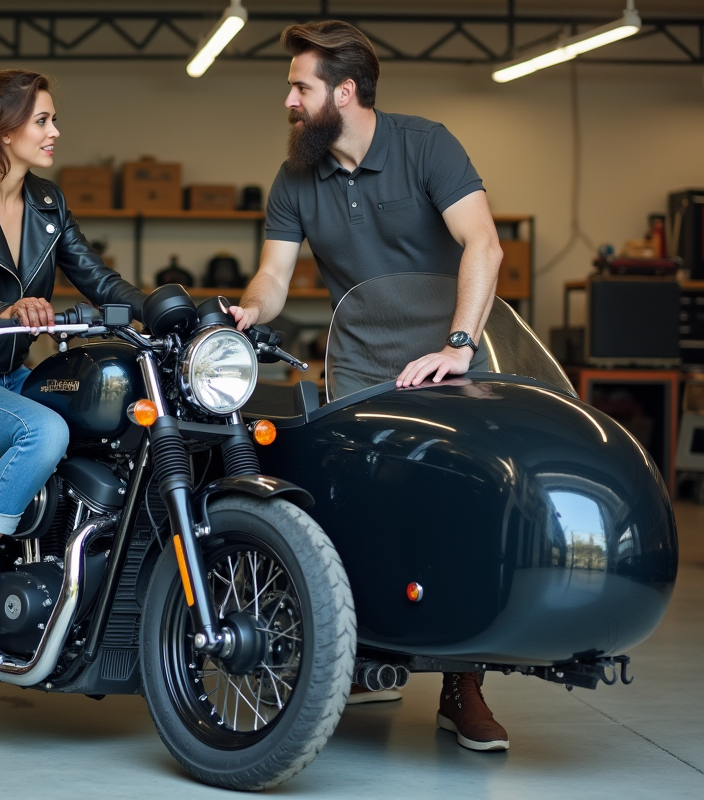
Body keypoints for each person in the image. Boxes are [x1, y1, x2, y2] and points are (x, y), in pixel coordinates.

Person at [227, 22, 509, 751]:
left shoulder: (426, 145)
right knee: (350, 507)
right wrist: (247, 309)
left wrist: (458, 345)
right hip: (356, 362)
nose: (288, 99)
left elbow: (485, 242)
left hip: (448, 357)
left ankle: (461, 683)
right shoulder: (296, 177)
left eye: (301, 87)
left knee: (452, 511)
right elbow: (276, 276)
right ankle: (363, 653)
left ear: (343, 93)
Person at [0, 70, 144, 655]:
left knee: (104, 432)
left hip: (13, 376)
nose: (55, 131)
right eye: (43, 120)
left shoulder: (47, 202)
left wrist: (169, 309)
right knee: (44, 430)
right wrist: (2, 310)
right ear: (4, 129)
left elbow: (95, 277)